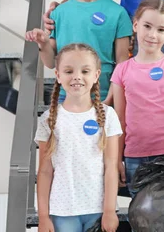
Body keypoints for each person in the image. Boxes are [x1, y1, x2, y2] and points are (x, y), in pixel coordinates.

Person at [26, 0, 132, 104]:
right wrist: (43, 43)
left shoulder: (118, 13)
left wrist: (111, 100)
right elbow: (50, 63)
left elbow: (122, 63)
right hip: (65, 98)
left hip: (102, 98)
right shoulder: (59, 13)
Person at [35, 43, 121, 232]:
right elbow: (45, 172)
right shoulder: (48, 119)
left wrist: (109, 210)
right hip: (62, 211)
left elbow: (110, 168)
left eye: (85, 71)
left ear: (96, 75)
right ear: (57, 75)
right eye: (68, 71)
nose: (77, 77)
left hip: (97, 210)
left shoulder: (108, 116)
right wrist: (43, 216)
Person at [111, 0, 164, 194]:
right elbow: (119, 119)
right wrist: (117, 159)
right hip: (133, 157)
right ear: (136, 25)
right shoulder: (121, 70)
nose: (152, 35)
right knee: (140, 217)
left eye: (161, 30)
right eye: (147, 26)